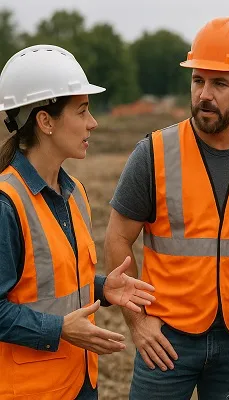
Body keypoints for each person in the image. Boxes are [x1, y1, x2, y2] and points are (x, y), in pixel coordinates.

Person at [104, 17, 229, 400]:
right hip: (167, 341)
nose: (205, 94)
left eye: (219, 83)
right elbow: (118, 237)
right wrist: (138, 323)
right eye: (198, 81)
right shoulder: (154, 153)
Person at [0, 45, 155, 400]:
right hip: (31, 391)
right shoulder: (7, 203)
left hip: (80, 383)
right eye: (82, 111)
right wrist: (58, 330)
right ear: (45, 121)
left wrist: (102, 288)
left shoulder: (74, 193)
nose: (93, 122)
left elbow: (50, 285)